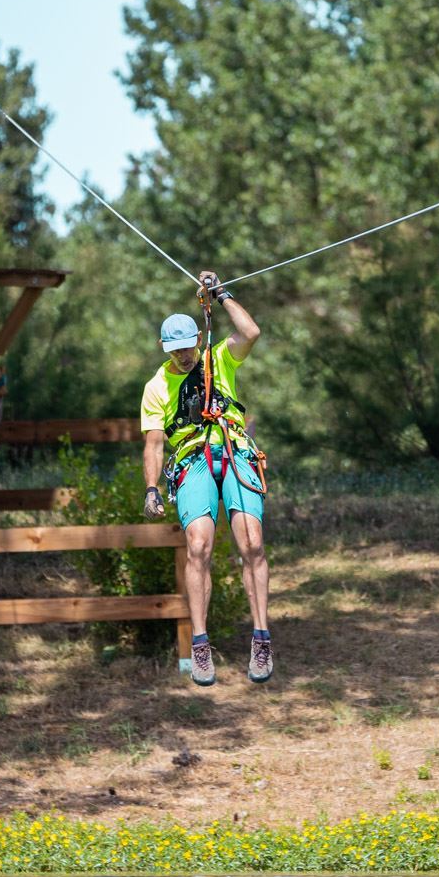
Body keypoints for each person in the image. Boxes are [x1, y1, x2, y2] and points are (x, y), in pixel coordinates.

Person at [141, 271, 272, 685]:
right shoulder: (157, 385)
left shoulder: (220, 358)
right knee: (198, 545)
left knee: (251, 541)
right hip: (192, 458)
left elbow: (250, 330)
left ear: (198, 338)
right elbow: (154, 444)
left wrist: (221, 293)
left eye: (187, 347)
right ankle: (200, 644)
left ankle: (261, 638)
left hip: (233, 450)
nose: (183, 356)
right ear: (165, 349)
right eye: (174, 350)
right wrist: (151, 488)